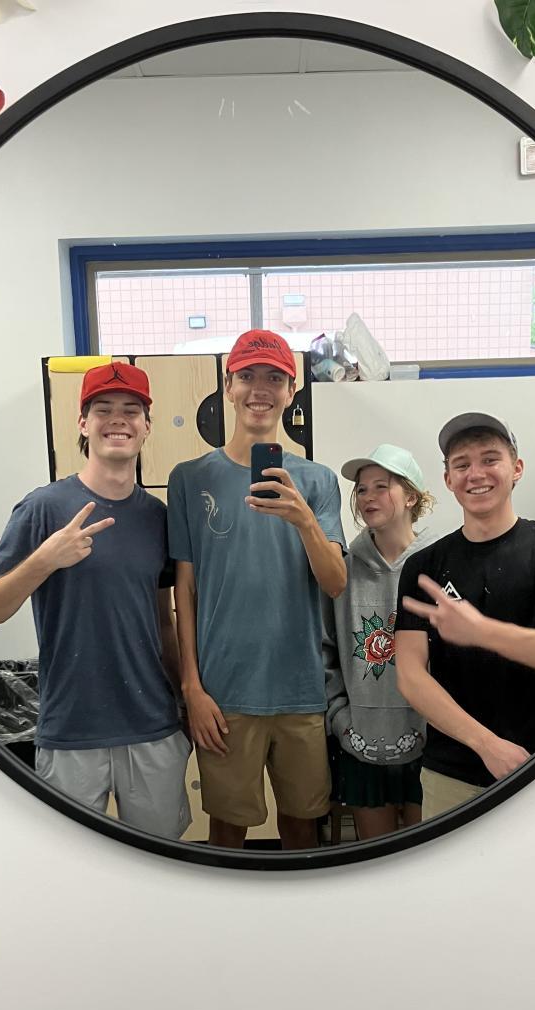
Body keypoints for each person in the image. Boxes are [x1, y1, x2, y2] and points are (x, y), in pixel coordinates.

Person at [0, 361, 191, 839]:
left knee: (160, 868)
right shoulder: (44, 508)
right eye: (103, 409)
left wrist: (183, 700)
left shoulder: (157, 517)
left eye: (131, 410)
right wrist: (45, 559)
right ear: (83, 424)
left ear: (146, 427)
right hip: (71, 730)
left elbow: (163, 622)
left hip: (153, 726)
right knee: (72, 868)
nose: (118, 419)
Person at [167, 329, 347, 851]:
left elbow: (335, 582)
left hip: (300, 687)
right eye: (247, 375)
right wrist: (192, 688)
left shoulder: (316, 480)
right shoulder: (189, 478)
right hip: (224, 692)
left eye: (274, 377)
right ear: (228, 386)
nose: (259, 389)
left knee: (303, 827)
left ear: (291, 391)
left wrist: (304, 520)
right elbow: (185, 591)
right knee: (226, 830)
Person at [395, 412, 535, 820]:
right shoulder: (424, 566)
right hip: (450, 774)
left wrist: (482, 631)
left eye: (490, 459)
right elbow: (410, 676)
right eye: (462, 464)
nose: (476, 474)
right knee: (452, 865)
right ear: (448, 479)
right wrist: (486, 745)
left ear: (516, 468)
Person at [323, 445, 437, 840]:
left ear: (411, 497)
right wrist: (342, 722)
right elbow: (325, 651)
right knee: (375, 858)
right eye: (361, 489)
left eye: (381, 486)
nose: (368, 497)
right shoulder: (341, 568)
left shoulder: (439, 564)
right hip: (361, 742)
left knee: (429, 856)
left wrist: (435, 724)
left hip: (433, 743)